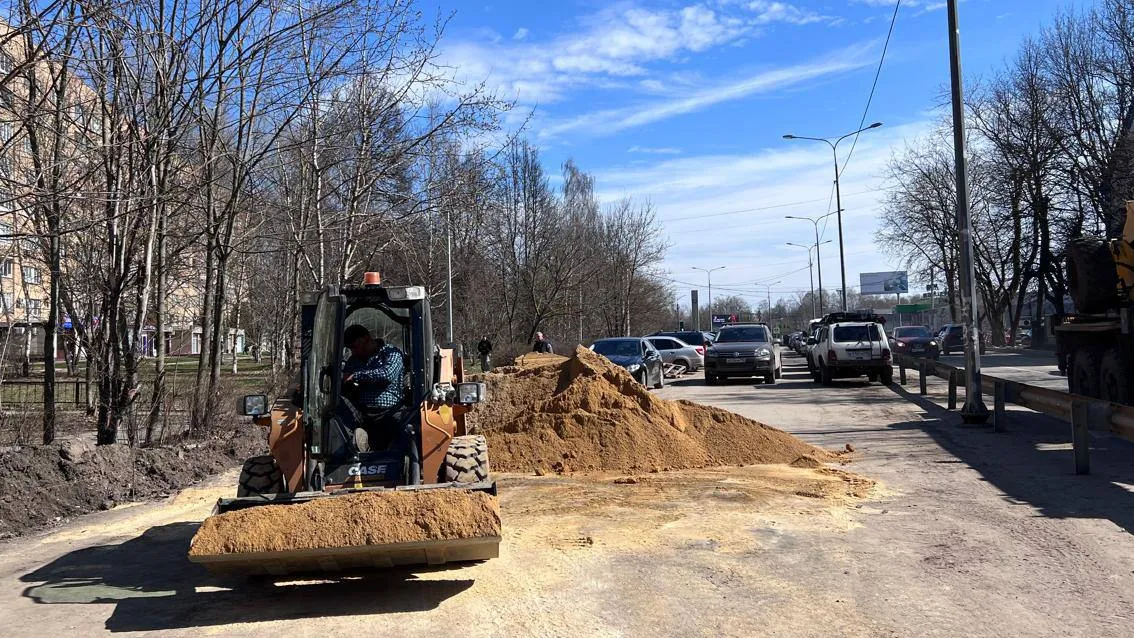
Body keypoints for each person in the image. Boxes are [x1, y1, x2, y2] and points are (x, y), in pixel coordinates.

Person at [342, 325, 405, 451]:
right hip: (362, 413)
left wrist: (357, 376)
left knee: (403, 430)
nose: (353, 352)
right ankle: (357, 445)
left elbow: (387, 374)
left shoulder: (391, 353)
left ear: (366, 339)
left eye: (355, 346)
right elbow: (346, 378)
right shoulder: (354, 360)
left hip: (391, 411)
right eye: (350, 348)